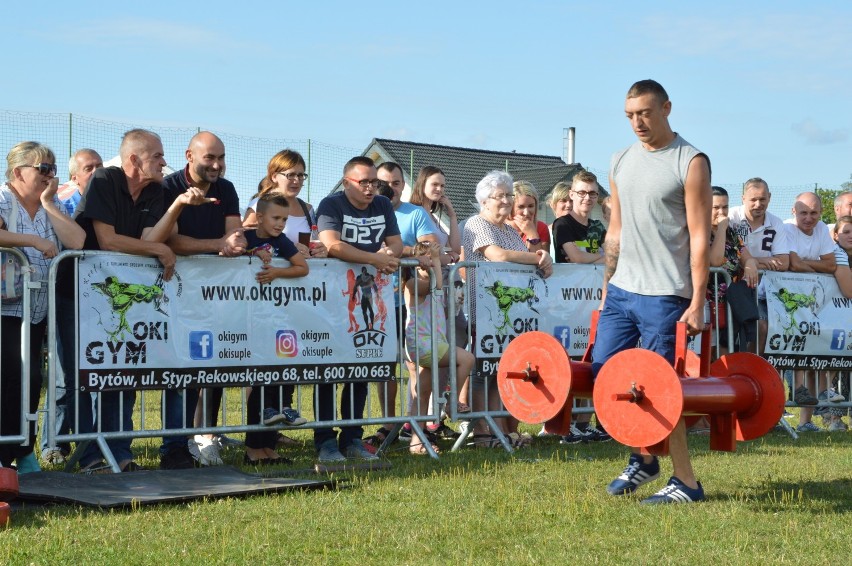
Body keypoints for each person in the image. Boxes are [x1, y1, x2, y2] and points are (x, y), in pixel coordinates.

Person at [593, 80, 711, 504]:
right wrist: (607, 287)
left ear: (666, 109)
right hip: (623, 289)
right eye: (629, 115)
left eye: (644, 113)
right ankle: (643, 459)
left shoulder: (690, 161)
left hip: (666, 294)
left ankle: (688, 483)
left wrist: (698, 300)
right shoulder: (620, 160)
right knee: (606, 374)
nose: (637, 122)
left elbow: (699, 236)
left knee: (658, 387)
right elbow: (616, 230)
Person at [67, 129, 210, 473]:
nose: (164, 162)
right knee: (87, 377)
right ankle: (90, 457)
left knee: (124, 374)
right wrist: (160, 249)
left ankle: (120, 453)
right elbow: (107, 239)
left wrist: (175, 208)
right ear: (134, 159)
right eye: (158, 156)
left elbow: (148, 236)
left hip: (123, 299)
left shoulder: (157, 191)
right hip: (81, 294)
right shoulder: (104, 179)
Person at [157, 131, 248, 469]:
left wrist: (233, 243)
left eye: (221, 157)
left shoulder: (225, 188)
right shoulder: (168, 188)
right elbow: (172, 241)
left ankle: (204, 437)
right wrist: (218, 245)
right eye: (210, 157)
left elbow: (235, 234)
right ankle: (175, 446)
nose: (217, 164)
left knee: (212, 366)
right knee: (179, 370)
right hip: (176, 293)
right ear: (189, 156)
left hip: (216, 294)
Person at [0, 142, 85, 472]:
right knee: (10, 376)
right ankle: (6, 452)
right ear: (19, 171)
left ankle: (23, 451)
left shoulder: (51, 205)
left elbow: (77, 242)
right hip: (4, 311)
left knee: (32, 381)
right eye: (43, 169)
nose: (50, 175)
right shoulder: (4, 198)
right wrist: (33, 241)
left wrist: (49, 203)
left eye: (53, 169)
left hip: (34, 312)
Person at [314, 156, 402, 462]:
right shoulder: (331, 204)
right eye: (363, 182)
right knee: (327, 371)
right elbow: (332, 244)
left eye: (374, 182)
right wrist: (375, 258)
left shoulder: (383, 205)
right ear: (346, 182)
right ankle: (325, 441)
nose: (370, 188)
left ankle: (351, 438)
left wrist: (389, 252)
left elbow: (396, 243)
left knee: (361, 368)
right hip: (332, 300)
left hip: (370, 297)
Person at [460, 170, 553, 448]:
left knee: (501, 371)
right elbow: (497, 255)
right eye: (500, 196)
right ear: (485, 200)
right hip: (483, 311)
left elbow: (522, 259)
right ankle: (485, 433)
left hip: (508, 315)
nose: (506, 200)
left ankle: (503, 431)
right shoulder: (477, 223)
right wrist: (538, 257)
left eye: (508, 195)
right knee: (483, 371)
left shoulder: (508, 231)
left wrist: (539, 257)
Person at [242, 193, 309, 463]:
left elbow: (302, 267)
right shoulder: (245, 237)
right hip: (252, 320)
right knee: (261, 384)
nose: (281, 224)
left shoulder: (281, 241)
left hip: (280, 322)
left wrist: (277, 272)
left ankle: (269, 447)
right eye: (276, 218)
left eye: (284, 219)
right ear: (259, 217)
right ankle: (253, 449)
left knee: (281, 381)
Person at [551, 170, 610, 444]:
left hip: (595, 300)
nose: (587, 198)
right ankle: (566, 423)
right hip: (567, 303)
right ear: (572, 194)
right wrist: (603, 257)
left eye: (592, 193)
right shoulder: (562, 224)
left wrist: (601, 258)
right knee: (570, 360)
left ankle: (585, 422)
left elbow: (614, 255)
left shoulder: (598, 227)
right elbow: (574, 256)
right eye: (582, 192)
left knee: (592, 359)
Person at [403, 241, 475, 455]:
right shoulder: (413, 284)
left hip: (436, 342)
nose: (428, 267)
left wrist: (436, 260)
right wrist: (433, 261)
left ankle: (416, 441)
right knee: (467, 359)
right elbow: (434, 286)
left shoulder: (436, 281)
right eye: (422, 263)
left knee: (422, 394)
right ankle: (452, 400)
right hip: (423, 344)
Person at [782, 192, 837, 432]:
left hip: (812, 302)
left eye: (814, 213)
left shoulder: (822, 228)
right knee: (796, 352)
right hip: (787, 301)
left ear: (821, 213)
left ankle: (806, 422)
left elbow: (831, 265)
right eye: (803, 212)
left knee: (816, 353)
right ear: (794, 212)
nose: (809, 218)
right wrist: (815, 268)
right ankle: (782, 409)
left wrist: (807, 266)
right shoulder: (786, 228)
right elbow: (792, 264)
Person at [727, 178, 791, 353]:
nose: (758, 204)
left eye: (762, 199)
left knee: (761, 328)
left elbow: (783, 262)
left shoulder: (776, 222)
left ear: (769, 198)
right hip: (731, 285)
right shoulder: (731, 218)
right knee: (727, 332)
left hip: (761, 289)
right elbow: (729, 255)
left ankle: (751, 371)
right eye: (753, 199)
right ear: (743, 199)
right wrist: (756, 262)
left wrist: (750, 261)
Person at [243, 149, 327, 259]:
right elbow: (244, 245)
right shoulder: (258, 204)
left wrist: (320, 251)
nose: (297, 180)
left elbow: (312, 246)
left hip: (300, 273)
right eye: (290, 175)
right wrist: (289, 251)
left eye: (301, 175)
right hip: (266, 273)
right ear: (274, 177)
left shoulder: (308, 209)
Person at [707, 187, 758, 356]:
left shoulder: (732, 233)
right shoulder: (700, 230)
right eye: (716, 207)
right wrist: (721, 229)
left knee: (726, 351)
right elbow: (714, 260)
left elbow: (747, 256)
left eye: (725, 207)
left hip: (730, 304)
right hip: (707, 303)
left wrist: (750, 264)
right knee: (709, 352)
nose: (721, 212)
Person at [57, 149, 104, 216]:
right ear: (75, 179)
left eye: (99, 167)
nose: (96, 172)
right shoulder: (61, 211)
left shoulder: (117, 203)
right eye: (88, 169)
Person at [507, 180, 549, 253]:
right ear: (511, 206)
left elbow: (541, 260)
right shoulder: (499, 226)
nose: (526, 213)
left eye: (531, 206)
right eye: (521, 207)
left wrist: (532, 234)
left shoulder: (541, 227)